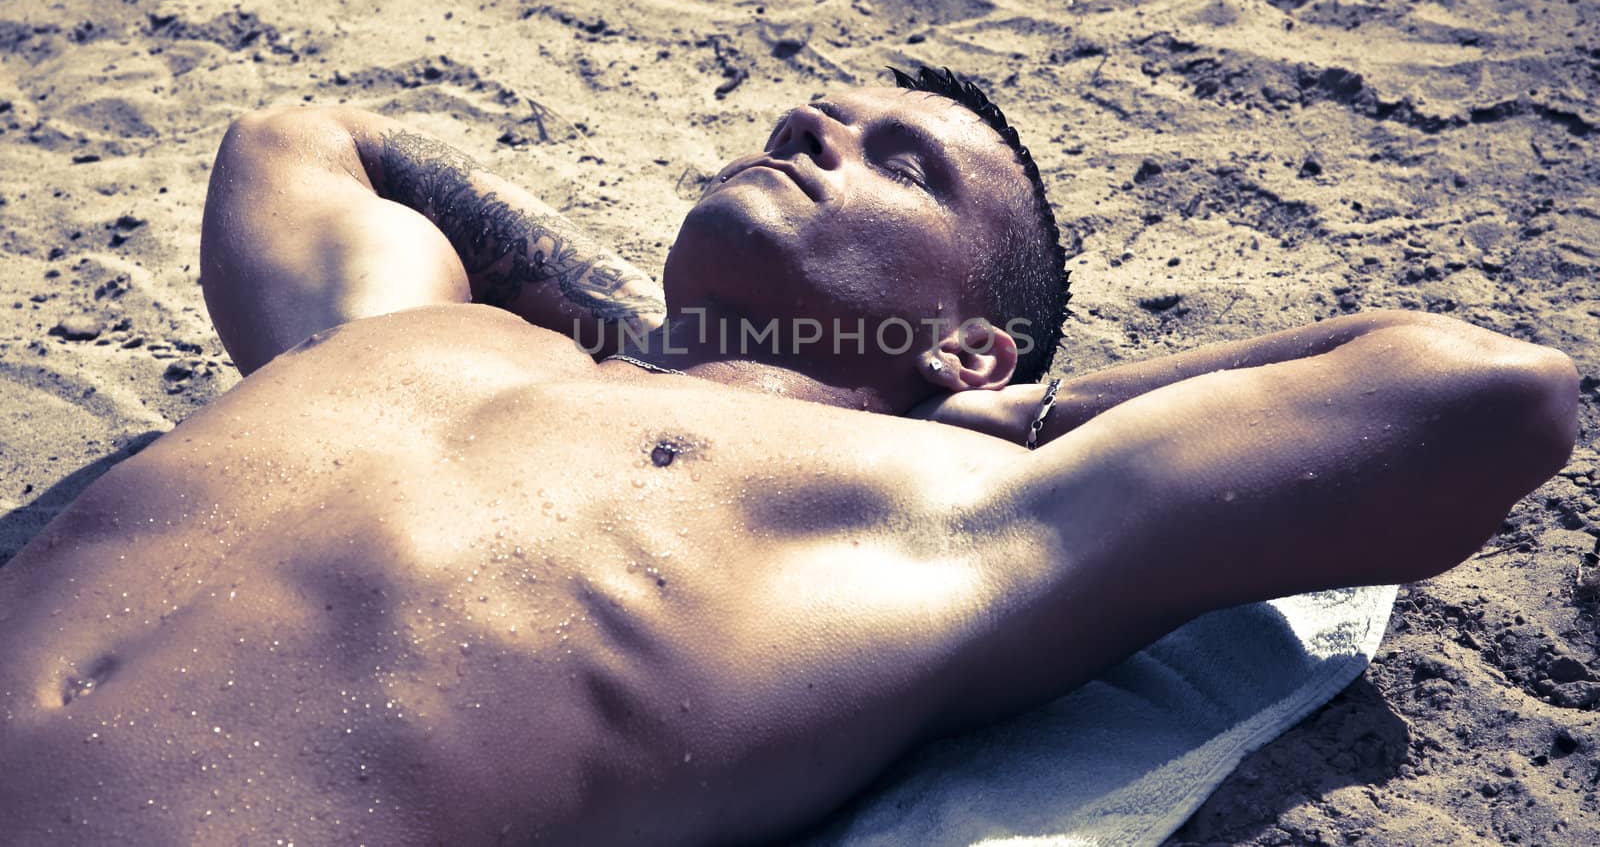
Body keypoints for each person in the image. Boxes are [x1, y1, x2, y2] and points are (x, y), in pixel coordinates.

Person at [0, 67, 1577, 846]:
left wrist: (1014, 410)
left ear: (973, 342)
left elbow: (1487, 393)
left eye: (903, 161)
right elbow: (296, 140)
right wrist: (612, 322)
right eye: (809, 120)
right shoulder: (427, 331)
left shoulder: (941, 513)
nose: (816, 127)